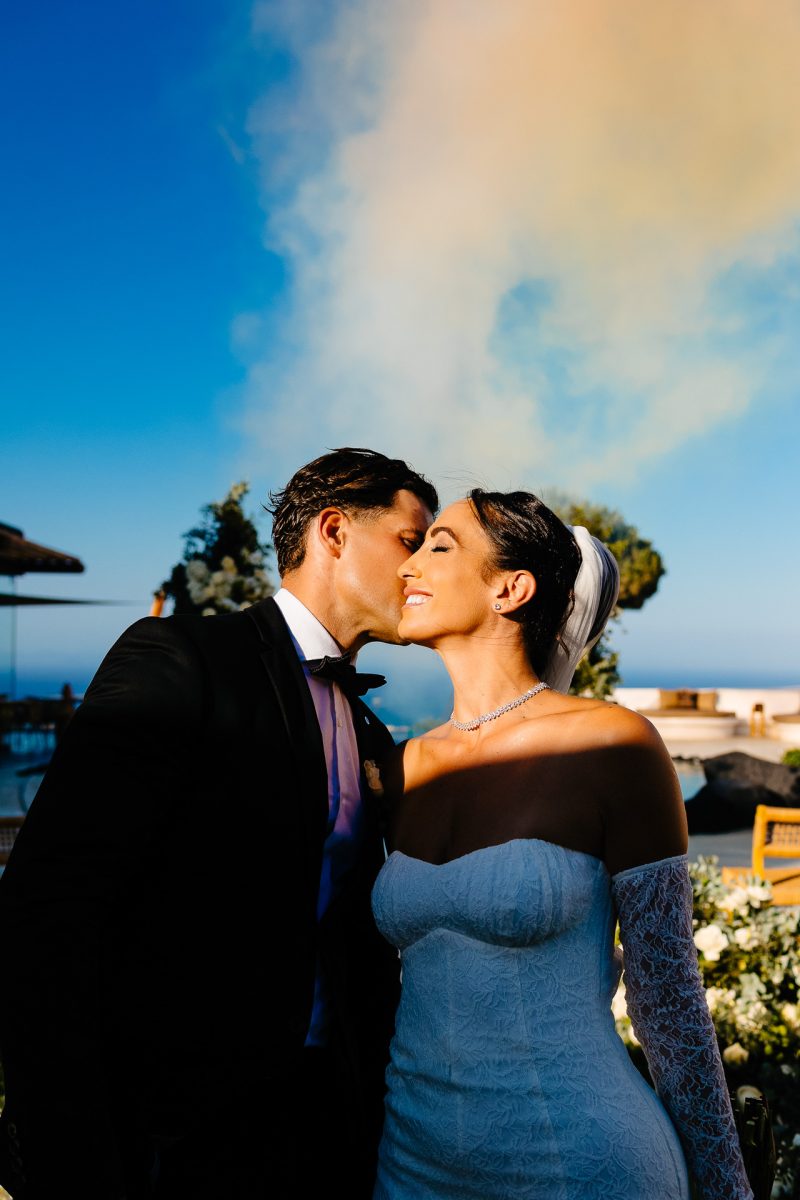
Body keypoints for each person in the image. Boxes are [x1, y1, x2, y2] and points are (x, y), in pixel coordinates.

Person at [0, 447, 437, 1200]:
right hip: (172, 1137)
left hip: (322, 1128)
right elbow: (50, 904)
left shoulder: (366, 728)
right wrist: (69, 1146)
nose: (423, 568)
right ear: (334, 531)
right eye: (410, 541)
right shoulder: (183, 661)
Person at [371, 489, 753, 1200]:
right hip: (410, 1164)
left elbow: (669, 1002)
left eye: (439, 545)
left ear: (510, 589)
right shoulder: (398, 769)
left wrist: (728, 1191)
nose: (407, 565)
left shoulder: (611, 743)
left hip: (577, 1159)